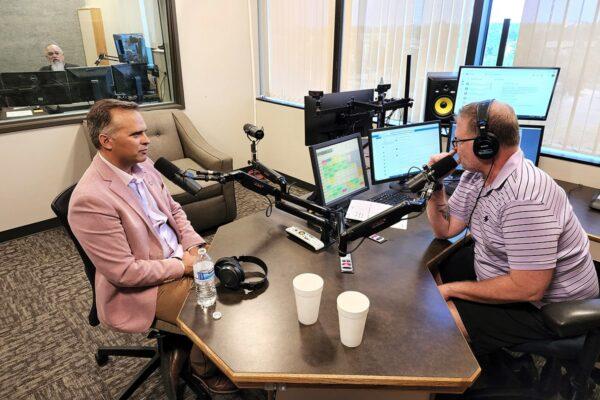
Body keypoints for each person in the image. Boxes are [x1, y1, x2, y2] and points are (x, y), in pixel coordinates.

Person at [68, 99, 237, 394]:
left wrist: (194, 246)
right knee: (217, 301)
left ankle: (189, 344)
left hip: (181, 258)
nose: (146, 140)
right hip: (142, 286)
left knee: (235, 274)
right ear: (105, 141)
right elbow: (125, 272)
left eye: (144, 132)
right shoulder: (89, 200)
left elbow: (175, 211)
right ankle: (201, 369)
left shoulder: (143, 165)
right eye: (135, 134)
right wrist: (183, 266)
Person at [426, 99, 599, 358]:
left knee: (438, 322)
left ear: (486, 145)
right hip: (507, 270)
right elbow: (446, 229)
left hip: (547, 307)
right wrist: (435, 183)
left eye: (458, 141)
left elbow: (529, 288)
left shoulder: (524, 199)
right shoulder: (476, 175)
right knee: (431, 275)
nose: (453, 149)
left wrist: (452, 290)